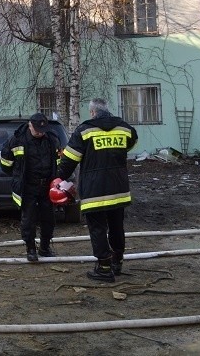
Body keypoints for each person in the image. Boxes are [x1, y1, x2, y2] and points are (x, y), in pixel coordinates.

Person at [56, 98, 138, 282]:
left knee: (98, 228)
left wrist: (59, 177)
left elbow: (70, 158)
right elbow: (132, 143)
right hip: (118, 189)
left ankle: (104, 268)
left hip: (95, 190)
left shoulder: (85, 131)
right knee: (117, 226)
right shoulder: (124, 128)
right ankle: (117, 262)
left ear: (92, 112)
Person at [0, 113, 61, 262]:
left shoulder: (52, 139)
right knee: (28, 219)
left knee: (49, 218)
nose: (40, 133)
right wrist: (18, 177)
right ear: (30, 125)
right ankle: (31, 249)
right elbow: (6, 164)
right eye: (37, 130)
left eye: (43, 130)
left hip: (47, 185)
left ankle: (45, 247)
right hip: (28, 186)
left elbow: (58, 161)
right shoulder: (17, 140)